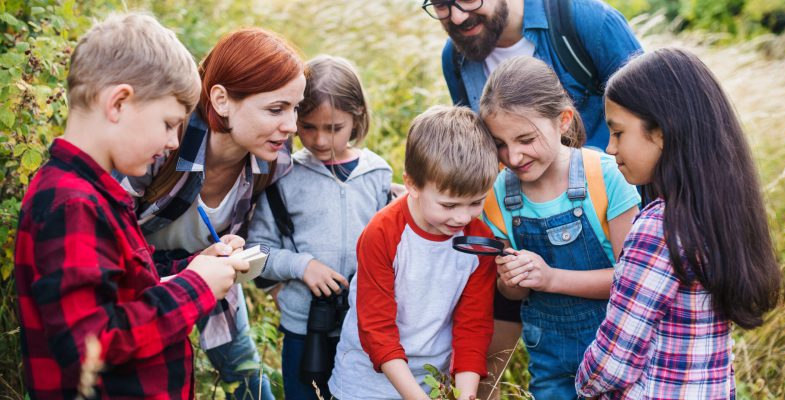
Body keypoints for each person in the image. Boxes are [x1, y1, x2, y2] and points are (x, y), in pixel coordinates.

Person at [14, 13, 250, 398]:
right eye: (169, 123)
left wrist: (196, 266)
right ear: (119, 103)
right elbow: (92, 343)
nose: (174, 142)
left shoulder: (95, 194)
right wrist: (195, 287)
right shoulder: (72, 205)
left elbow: (126, 286)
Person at [576, 47, 784, 399]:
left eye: (618, 132)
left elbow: (613, 362)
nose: (609, 149)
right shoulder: (718, 215)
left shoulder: (659, 227)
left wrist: (582, 382)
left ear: (660, 132)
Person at [116, 28, 306, 400]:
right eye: (276, 109)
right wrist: (189, 268)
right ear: (220, 99)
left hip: (212, 280)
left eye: (295, 107)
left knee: (247, 379)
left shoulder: (274, 158)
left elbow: (274, 224)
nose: (291, 125)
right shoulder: (164, 146)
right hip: (137, 288)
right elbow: (109, 245)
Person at [479, 56, 640, 399]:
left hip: (616, 355)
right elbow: (514, 297)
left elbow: (631, 283)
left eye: (525, 138)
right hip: (550, 363)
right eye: (500, 144)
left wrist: (551, 278)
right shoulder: (495, 197)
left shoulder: (607, 176)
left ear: (563, 120)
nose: (514, 156)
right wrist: (511, 282)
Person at [247, 55, 393, 399]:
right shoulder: (284, 174)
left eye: (334, 128)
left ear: (357, 117)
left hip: (362, 327)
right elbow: (257, 251)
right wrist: (302, 267)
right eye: (308, 126)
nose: (320, 140)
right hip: (303, 327)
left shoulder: (377, 173)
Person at [328, 106, 498, 399]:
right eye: (448, 205)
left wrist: (465, 394)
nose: (462, 218)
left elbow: (473, 327)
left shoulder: (478, 242)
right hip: (365, 386)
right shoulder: (382, 233)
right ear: (412, 184)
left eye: (475, 203)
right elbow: (376, 329)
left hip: (434, 382)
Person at [431, 0, 642, 150]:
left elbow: (653, 117)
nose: (457, 17)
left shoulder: (589, 20)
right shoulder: (454, 57)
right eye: (441, 4)